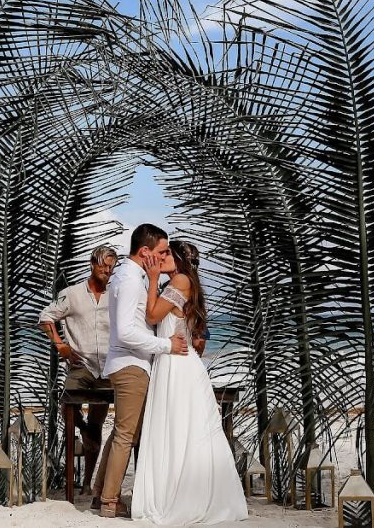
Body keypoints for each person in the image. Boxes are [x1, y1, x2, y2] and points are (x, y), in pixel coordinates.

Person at [132, 240, 249, 524]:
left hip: (177, 366)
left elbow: (151, 315)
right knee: (181, 430)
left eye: (167, 254)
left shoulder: (181, 280)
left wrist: (151, 279)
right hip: (176, 363)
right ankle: (178, 490)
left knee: (179, 429)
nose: (161, 258)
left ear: (181, 260)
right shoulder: (184, 282)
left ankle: (182, 495)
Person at [93, 224, 189, 519]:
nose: (164, 256)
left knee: (122, 432)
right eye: (161, 251)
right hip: (131, 364)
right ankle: (110, 501)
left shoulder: (131, 276)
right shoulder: (131, 280)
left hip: (129, 363)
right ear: (145, 251)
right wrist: (165, 345)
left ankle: (100, 493)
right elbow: (125, 332)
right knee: (127, 435)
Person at [39, 246, 117, 494]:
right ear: (92, 263)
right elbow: (45, 317)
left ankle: (86, 483)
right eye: (103, 265)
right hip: (81, 365)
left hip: (109, 368)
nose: (107, 270)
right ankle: (83, 429)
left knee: (98, 423)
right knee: (67, 402)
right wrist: (60, 345)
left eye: (111, 266)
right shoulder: (71, 294)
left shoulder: (116, 294)